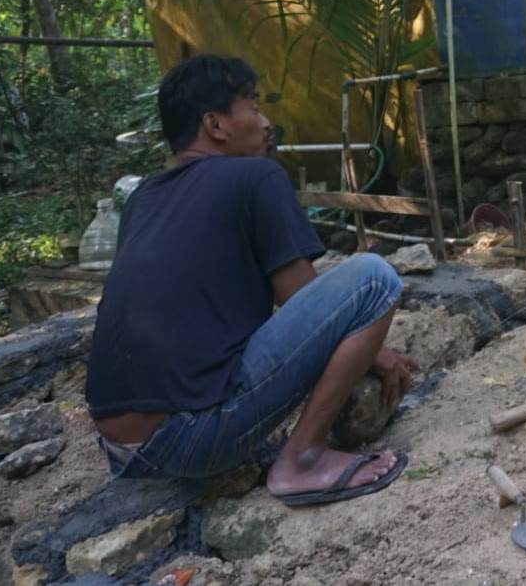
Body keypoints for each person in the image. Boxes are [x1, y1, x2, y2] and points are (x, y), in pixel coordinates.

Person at [85, 55, 416, 507]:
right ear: (215, 125)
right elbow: (303, 299)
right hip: (189, 439)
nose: (266, 122)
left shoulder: (145, 196)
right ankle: (303, 460)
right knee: (374, 279)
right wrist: (373, 353)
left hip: (121, 451)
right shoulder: (255, 175)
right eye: (254, 108)